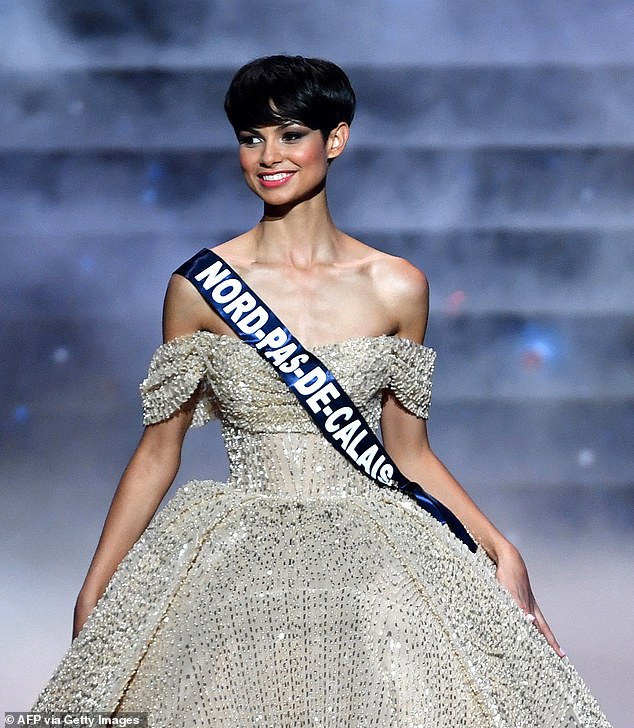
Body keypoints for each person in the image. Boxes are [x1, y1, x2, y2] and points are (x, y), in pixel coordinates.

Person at [32, 54, 612, 727]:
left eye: (290, 134)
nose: (268, 156)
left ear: (335, 139)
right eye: (252, 137)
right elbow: (159, 451)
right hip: (236, 557)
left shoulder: (397, 287)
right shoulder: (198, 288)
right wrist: (94, 588)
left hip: (373, 555)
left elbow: (410, 454)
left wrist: (500, 549)